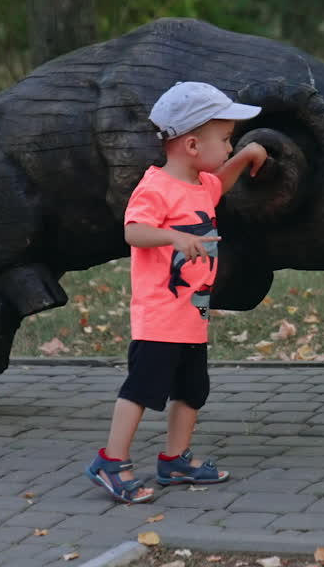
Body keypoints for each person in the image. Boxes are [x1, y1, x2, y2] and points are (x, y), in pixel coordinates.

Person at [85, 81, 269, 504]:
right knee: (143, 388)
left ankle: (174, 460)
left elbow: (219, 184)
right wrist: (172, 237)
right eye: (224, 139)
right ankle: (111, 461)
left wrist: (243, 157)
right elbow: (133, 230)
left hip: (192, 311)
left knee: (192, 389)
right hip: (159, 315)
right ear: (190, 145)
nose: (228, 146)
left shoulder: (201, 183)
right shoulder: (155, 187)